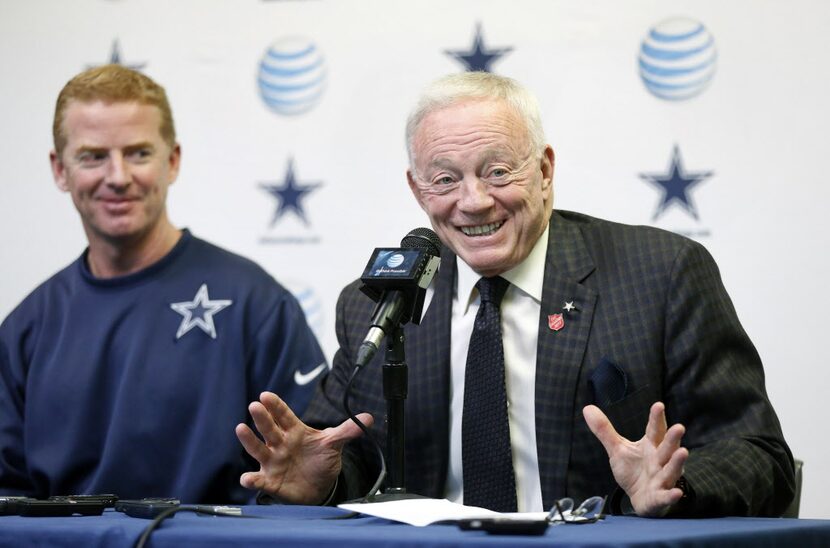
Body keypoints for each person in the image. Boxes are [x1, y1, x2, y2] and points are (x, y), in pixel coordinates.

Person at [235, 72, 795, 517]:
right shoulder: (376, 307)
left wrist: (677, 485)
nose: (473, 201)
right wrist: (323, 483)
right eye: (445, 179)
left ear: (545, 170)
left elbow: (760, 457)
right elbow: (351, 456)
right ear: (415, 188)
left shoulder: (661, 275)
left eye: (498, 171)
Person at [0, 64, 326, 504]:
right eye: (93, 156)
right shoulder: (26, 329)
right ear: (60, 170)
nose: (117, 176)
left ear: (172, 161)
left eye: (138, 153)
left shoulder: (257, 304)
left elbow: (307, 479)